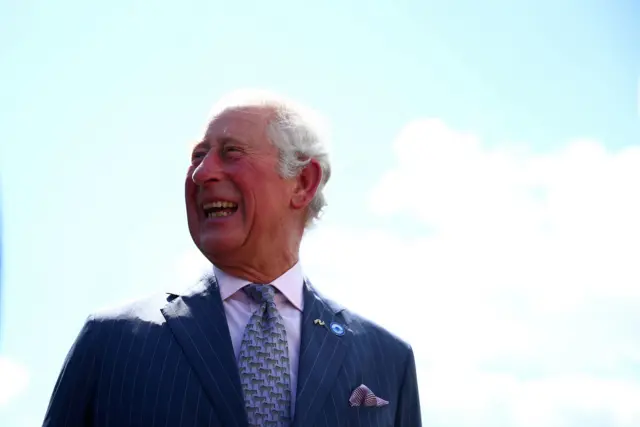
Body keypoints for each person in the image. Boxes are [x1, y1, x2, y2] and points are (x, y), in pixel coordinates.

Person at [43, 90, 422, 427]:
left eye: (231, 153)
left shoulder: (388, 360)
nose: (202, 173)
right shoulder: (111, 342)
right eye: (198, 156)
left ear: (303, 182)